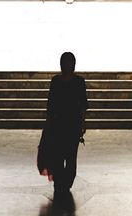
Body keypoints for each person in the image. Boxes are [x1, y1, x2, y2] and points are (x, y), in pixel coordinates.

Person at [46, 52, 88, 195]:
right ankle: (64, 183)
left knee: (64, 156)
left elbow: (51, 106)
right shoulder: (78, 81)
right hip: (68, 124)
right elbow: (83, 105)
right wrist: (82, 123)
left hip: (65, 125)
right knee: (67, 156)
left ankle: (61, 184)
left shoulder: (57, 81)